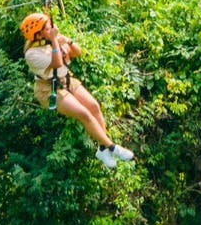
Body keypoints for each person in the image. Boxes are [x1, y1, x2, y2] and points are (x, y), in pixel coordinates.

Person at [21, 12, 135, 168]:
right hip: (49, 89)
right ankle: (112, 147)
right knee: (84, 114)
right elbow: (56, 62)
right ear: (38, 34)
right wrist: (55, 41)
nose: (53, 30)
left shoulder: (51, 39)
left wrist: (67, 40)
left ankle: (102, 149)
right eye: (48, 29)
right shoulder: (32, 54)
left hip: (66, 80)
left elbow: (78, 53)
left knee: (94, 106)